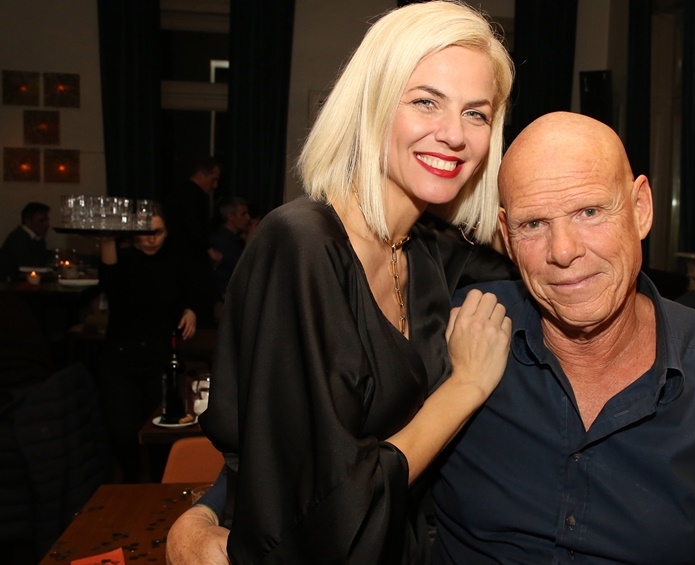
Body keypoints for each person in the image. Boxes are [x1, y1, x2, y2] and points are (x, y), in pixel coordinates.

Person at [166, 2, 516, 563]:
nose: (454, 134)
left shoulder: (424, 254)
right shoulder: (302, 245)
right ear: (371, 105)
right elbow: (326, 505)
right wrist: (466, 387)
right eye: (426, 102)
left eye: (476, 113)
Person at [430, 112, 695, 563]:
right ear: (507, 235)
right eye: (534, 224)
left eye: (589, 212)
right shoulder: (454, 331)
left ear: (641, 210)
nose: (563, 250)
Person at [97, 211, 200, 482]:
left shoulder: (174, 261)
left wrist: (189, 310)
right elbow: (110, 284)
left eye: (158, 232)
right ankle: (130, 487)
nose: (152, 239)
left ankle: (158, 486)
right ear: (134, 234)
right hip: (120, 360)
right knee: (123, 434)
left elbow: (179, 296)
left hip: (159, 359)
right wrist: (106, 241)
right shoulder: (124, 259)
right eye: (146, 233)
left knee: (161, 431)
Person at [160, 156, 222, 322]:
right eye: (213, 179)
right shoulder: (194, 196)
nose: (215, 185)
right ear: (200, 175)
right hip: (191, 263)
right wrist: (208, 249)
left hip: (174, 260)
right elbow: (193, 227)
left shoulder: (175, 193)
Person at [207, 196, 251, 298]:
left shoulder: (236, 239)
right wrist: (249, 242)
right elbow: (241, 268)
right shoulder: (220, 240)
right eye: (243, 214)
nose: (248, 218)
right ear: (230, 216)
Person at [0, 202, 52, 277]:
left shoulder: (37, 238)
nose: (47, 224)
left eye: (47, 220)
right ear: (28, 221)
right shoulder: (18, 239)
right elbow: (26, 267)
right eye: (41, 221)